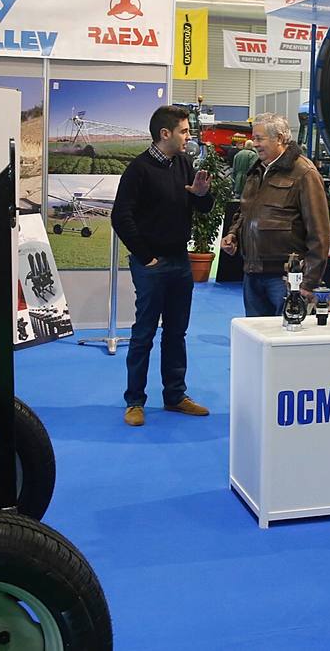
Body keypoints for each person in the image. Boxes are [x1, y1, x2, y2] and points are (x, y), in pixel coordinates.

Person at [110, 105, 213, 427]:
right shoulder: (138, 170)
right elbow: (120, 217)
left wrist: (201, 194)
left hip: (180, 262)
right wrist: (145, 257)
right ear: (165, 134)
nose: (189, 137)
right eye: (184, 131)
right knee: (143, 335)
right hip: (151, 265)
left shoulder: (183, 163)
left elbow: (202, 207)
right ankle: (135, 402)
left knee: (176, 333)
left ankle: (175, 396)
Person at [222, 113, 330, 317]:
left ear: (280, 138)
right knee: (256, 340)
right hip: (252, 273)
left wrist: (309, 282)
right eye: (254, 138)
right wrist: (233, 234)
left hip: (285, 279)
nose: (254, 144)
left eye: (259, 138)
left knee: (285, 341)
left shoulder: (304, 173)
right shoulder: (257, 171)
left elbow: (320, 232)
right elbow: (245, 212)